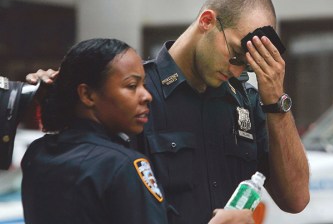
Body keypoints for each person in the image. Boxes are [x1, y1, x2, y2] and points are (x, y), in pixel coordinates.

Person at [26, 0, 310, 224]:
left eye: (247, 66)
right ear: (207, 21)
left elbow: (296, 199)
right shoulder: (134, 96)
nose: (237, 71)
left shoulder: (246, 101)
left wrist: (276, 102)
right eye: (236, 55)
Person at [21, 38, 254, 224]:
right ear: (87, 95)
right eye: (132, 86)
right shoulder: (122, 166)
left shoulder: (37, 153)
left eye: (143, 84)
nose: (146, 96)